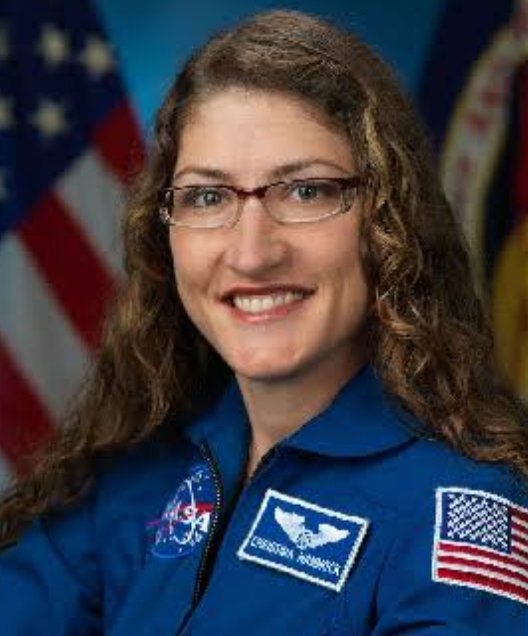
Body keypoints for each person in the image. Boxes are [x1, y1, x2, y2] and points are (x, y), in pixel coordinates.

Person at [1, 9, 528, 635]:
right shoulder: (141, 473)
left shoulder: (462, 517)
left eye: (306, 191)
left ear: (390, 225)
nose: (251, 255)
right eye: (208, 196)